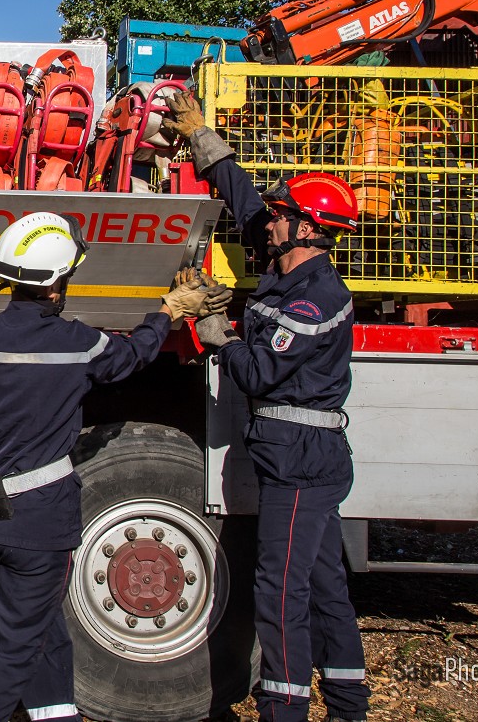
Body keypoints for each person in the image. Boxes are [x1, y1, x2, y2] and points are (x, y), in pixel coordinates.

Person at [0, 181, 229, 722]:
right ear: (56, 287)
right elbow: (133, 355)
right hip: (37, 528)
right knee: (11, 652)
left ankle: (58, 712)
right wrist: (170, 310)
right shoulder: (80, 345)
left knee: (41, 631)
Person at [161, 91, 369, 722]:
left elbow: (256, 371)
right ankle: (351, 704)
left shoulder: (313, 301)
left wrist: (216, 321)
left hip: (301, 465)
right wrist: (205, 141)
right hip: (300, 459)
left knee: (280, 590)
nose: (267, 221)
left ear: (308, 229)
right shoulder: (286, 260)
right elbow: (246, 199)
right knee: (328, 587)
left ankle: (284, 710)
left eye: (281, 215)